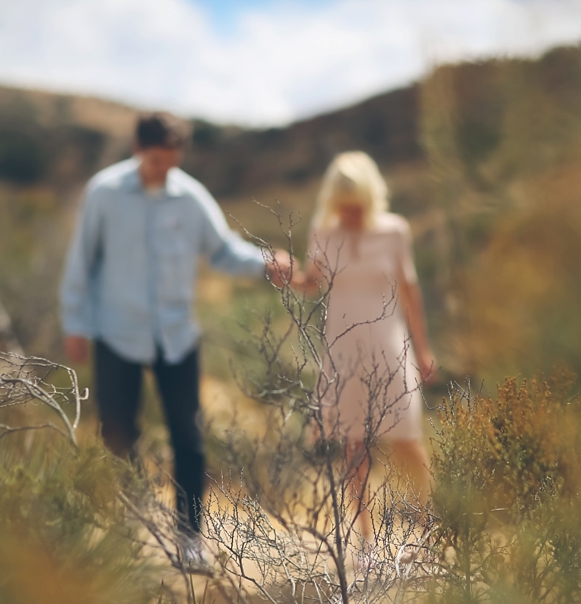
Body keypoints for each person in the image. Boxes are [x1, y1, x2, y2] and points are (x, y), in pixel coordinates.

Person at [59, 112, 296, 549]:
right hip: (116, 334)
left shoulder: (191, 198)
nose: (164, 168)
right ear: (138, 150)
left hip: (176, 337)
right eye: (155, 160)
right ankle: (126, 538)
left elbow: (222, 251)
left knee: (189, 437)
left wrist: (267, 262)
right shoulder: (104, 193)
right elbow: (82, 261)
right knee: (117, 436)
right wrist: (75, 322)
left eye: (171, 159)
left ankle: (190, 538)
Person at [301, 151, 436, 558]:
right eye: (344, 207)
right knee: (353, 446)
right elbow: (311, 282)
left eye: (357, 205)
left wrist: (424, 347)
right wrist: (284, 270)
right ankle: (366, 542)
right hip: (342, 350)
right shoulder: (322, 231)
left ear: (370, 197)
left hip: (390, 346)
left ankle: (428, 533)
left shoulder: (395, 230)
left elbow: (410, 290)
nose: (352, 214)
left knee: (408, 441)